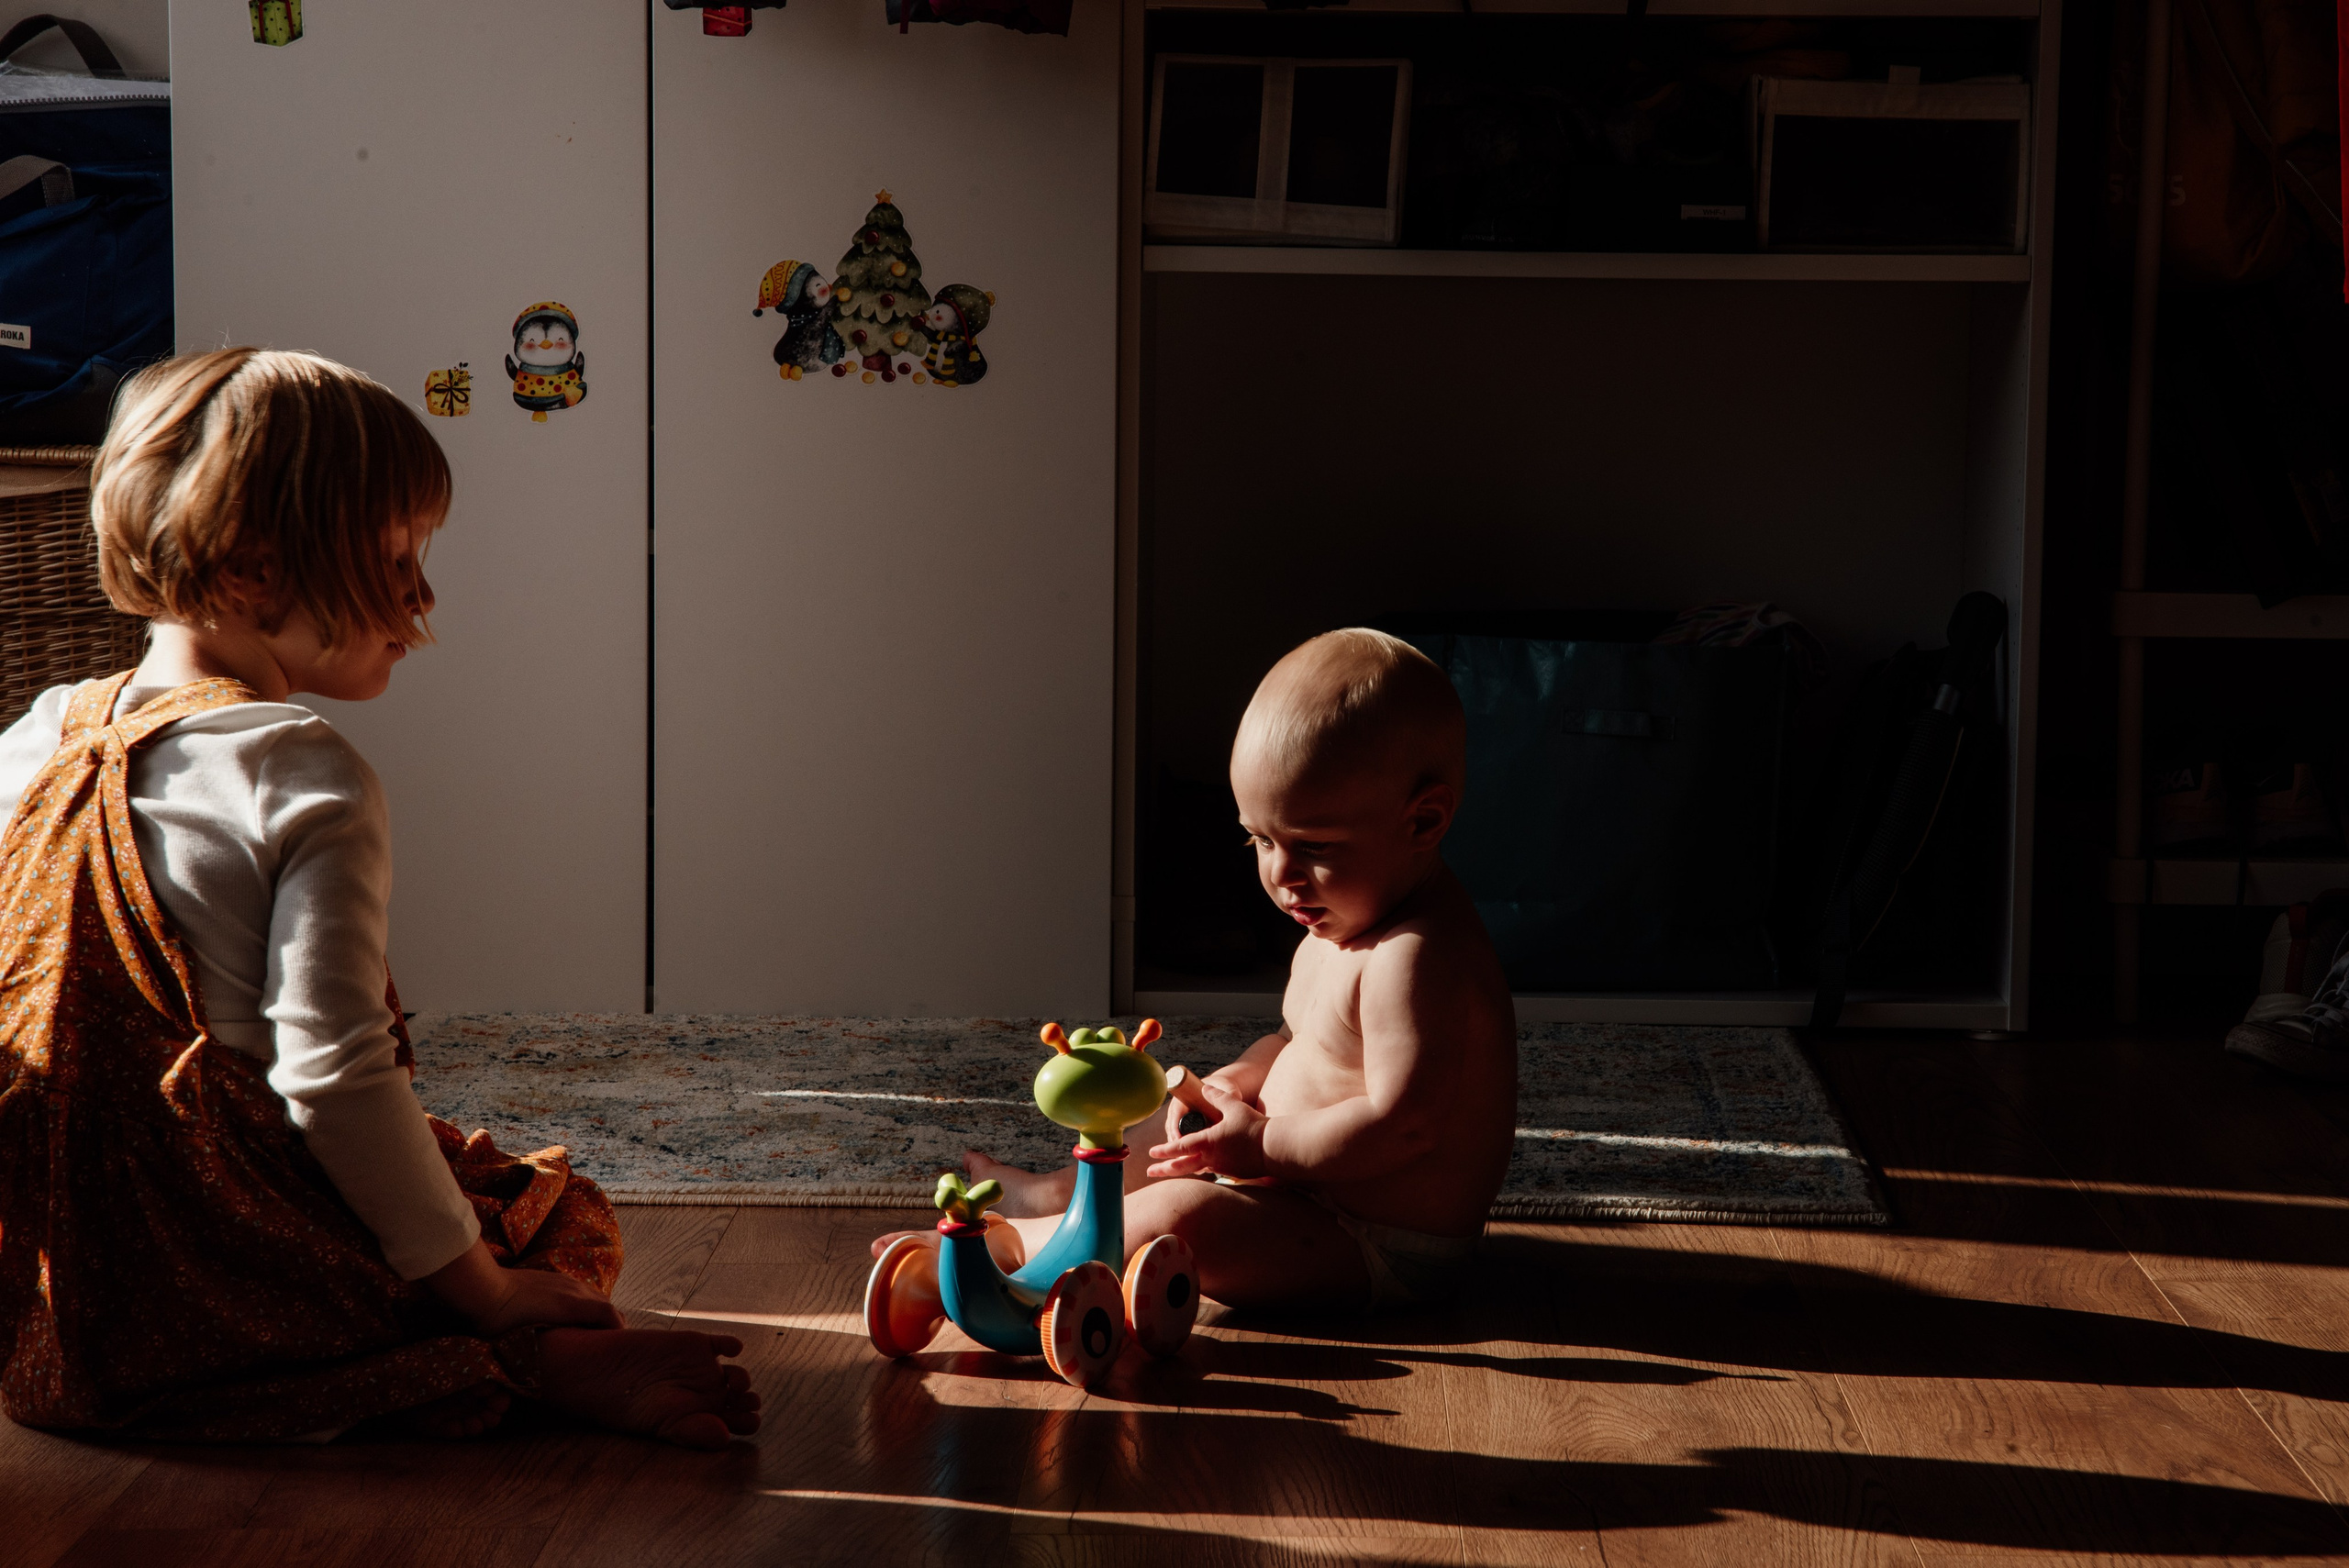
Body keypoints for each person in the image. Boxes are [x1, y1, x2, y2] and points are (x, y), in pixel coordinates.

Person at [0, 349, 759, 1447]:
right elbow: (337, 1076)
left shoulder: (35, 732)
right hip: (222, 1299)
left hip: (49, 1321)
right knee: (547, 1212)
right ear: (256, 569)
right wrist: (488, 1290)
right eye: (396, 554)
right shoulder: (304, 770)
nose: (422, 595)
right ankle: (527, 1358)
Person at [881, 628, 1518, 1310]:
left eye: (1314, 845)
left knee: (1178, 1216)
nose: (1280, 874)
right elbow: (1295, 1041)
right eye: (1261, 839)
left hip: (1371, 1243)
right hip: (1287, 1184)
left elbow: (1404, 1124)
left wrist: (1266, 1144)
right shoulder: (1338, 924)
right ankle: (1062, 1195)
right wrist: (1238, 1082)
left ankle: (1016, 1251)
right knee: (1168, 1116)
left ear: (1423, 821)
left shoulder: (1416, 957)